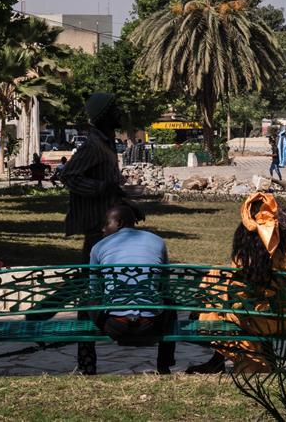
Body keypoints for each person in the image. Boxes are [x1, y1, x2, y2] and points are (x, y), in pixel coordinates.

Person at [186, 192, 286, 374]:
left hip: (253, 320)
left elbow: (237, 288)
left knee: (217, 292)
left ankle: (245, 361)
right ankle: (220, 361)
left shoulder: (245, 246)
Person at [60, 92, 124, 375]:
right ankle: (86, 361)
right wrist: (100, 190)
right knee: (89, 294)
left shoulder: (108, 145)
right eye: (116, 109)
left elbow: (110, 186)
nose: (121, 112)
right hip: (98, 233)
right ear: (105, 115)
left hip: (112, 231)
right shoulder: (95, 146)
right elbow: (69, 176)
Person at [89, 204, 175, 374]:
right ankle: (164, 364)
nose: (103, 229)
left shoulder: (98, 247)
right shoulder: (157, 241)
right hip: (150, 325)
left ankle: (87, 364)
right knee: (170, 304)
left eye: (106, 224)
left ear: (119, 223)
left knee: (85, 303)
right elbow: (164, 283)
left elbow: (94, 289)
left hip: (115, 325)